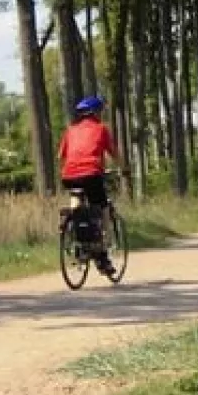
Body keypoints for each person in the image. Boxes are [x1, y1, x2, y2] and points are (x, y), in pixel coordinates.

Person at [58, 95, 121, 278]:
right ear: (96, 113)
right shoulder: (101, 129)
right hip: (92, 174)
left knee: (76, 198)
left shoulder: (70, 130)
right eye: (101, 111)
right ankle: (102, 256)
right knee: (102, 209)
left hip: (69, 175)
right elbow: (114, 153)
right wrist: (124, 168)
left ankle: (71, 227)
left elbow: (61, 156)